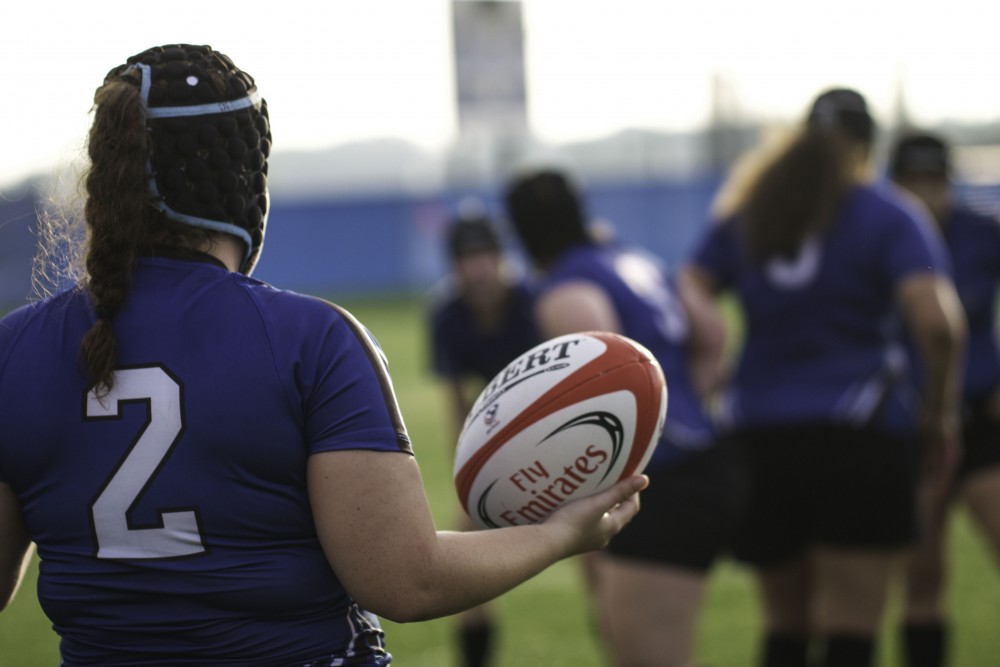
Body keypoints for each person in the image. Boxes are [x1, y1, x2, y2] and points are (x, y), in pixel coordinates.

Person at [0, 44, 647, 667]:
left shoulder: (14, 347)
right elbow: (405, 580)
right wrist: (563, 533)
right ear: (242, 176)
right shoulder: (312, 337)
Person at [683, 88, 966, 667]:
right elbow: (938, 324)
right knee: (851, 629)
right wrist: (939, 412)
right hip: (858, 428)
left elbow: (687, 289)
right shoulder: (886, 212)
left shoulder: (752, 210)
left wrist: (717, 355)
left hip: (758, 433)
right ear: (866, 147)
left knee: (784, 626)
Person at [503, 169, 743, 667]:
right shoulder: (635, 260)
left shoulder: (565, 290)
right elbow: (713, 335)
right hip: (703, 458)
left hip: (656, 482)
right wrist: (685, 409)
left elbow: (609, 388)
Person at [889, 131, 1000, 667]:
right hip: (912, 425)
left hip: (981, 416)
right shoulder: (882, 236)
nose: (925, 196)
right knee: (923, 575)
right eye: (912, 184)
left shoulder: (981, 231)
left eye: (933, 183)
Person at [427, 210, 541, 667]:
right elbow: (457, 400)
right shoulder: (447, 314)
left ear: (501, 257)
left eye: (486, 255)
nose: (477, 267)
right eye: (466, 258)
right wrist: (470, 473)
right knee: (464, 566)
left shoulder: (534, 301)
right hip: (495, 435)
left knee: (596, 554)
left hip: (554, 429)